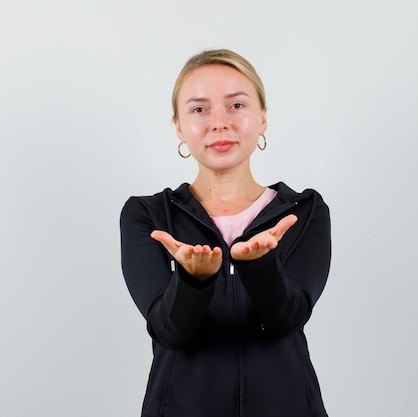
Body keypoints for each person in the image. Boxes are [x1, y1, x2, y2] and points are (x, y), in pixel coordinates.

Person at [119, 49, 331, 417]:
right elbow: (169, 332)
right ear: (179, 127)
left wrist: (261, 266)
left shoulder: (303, 212)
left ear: (262, 118)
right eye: (199, 109)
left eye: (236, 105)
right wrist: (193, 280)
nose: (219, 123)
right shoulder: (148, 216)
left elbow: (288, 319)